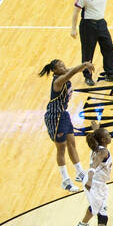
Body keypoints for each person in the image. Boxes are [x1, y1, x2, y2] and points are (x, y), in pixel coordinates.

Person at [38, 57, 92, 193]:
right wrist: (84, 64)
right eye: (60, 66)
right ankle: (65, 181)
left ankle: (79, 173)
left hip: (64, 114)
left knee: (72, 143)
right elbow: (71, 73)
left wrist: (84, 66)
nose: (64, 67)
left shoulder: (63, 73)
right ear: (55, 71)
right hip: (55, 117)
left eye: (63, 64)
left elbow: (71, 69)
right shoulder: (58, 81)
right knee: (61, 148)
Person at [74, 124, 113, 226]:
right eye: (107, 135)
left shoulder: (97, 145)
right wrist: (91, 179)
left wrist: (96, 127)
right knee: (103, 215)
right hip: (94, 184)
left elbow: (97, 134)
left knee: (95, 206)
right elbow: (93, 165)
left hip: (98, 184)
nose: (110, 135)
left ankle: (83, 225)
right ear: (103, 140)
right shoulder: (103, 152)